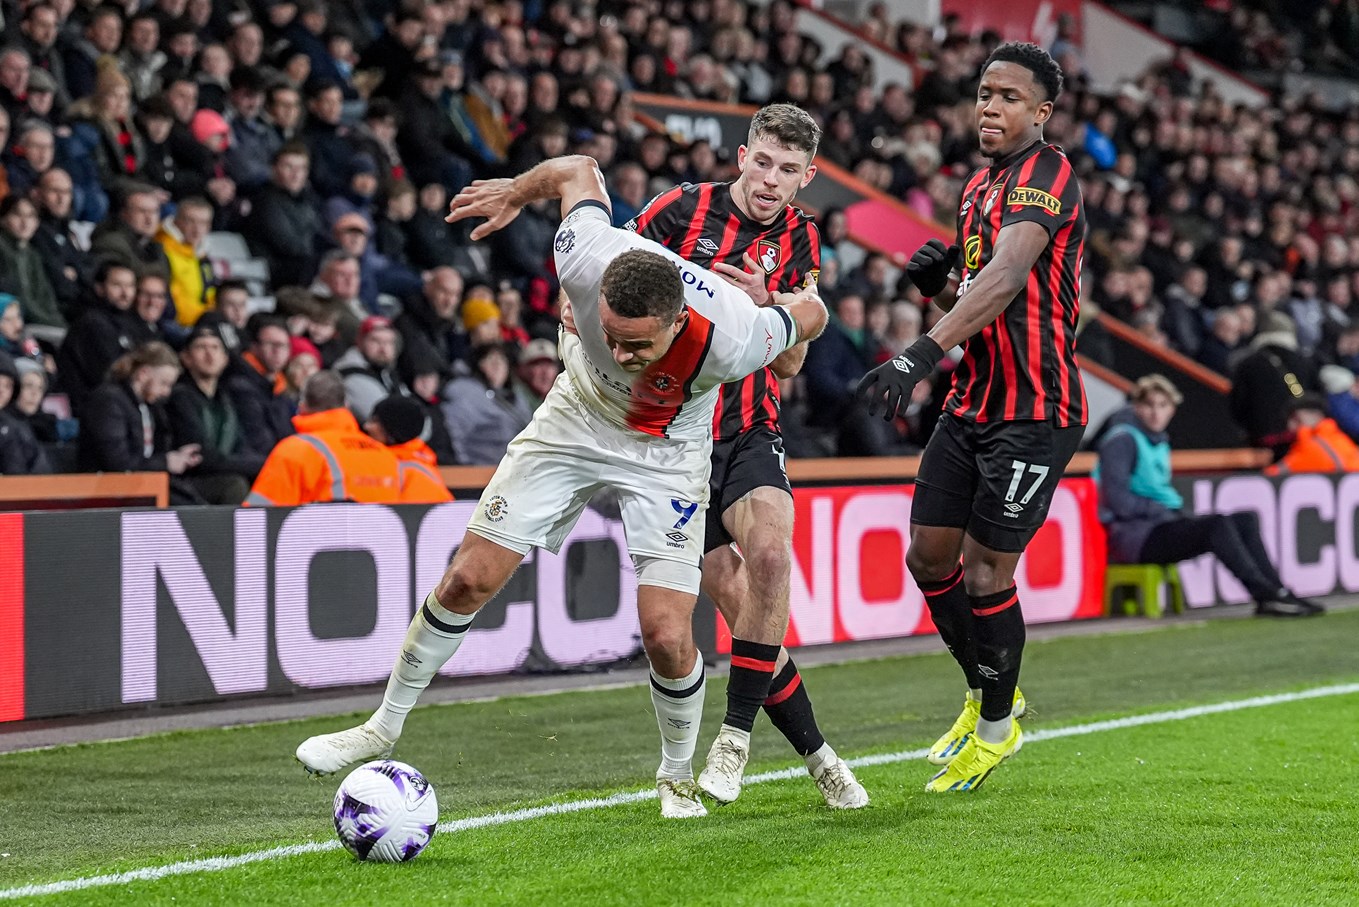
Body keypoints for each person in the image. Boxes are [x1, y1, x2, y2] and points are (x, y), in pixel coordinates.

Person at [295, 154, 826, 821]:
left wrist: (778, 299)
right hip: (572, 419)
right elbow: (578, 170)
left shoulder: (733, 332)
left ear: (674, 323)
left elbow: (810, 315)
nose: (624, 354)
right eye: (612, 335)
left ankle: (674, 775)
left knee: (665, 632)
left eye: (638, 346)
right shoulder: (584, 254)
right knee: (466, 577)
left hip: (664, 454)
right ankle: (381, 725)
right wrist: (516, 193)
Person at [856, 43, 1086, 793]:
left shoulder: (1047, 175)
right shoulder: (977, 186)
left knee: (988, 571)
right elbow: (981, 294)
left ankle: (995, 727)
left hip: (1035, 409)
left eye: (1009, 97)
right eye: (984, 93)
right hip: (976, 400)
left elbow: (1012, 275)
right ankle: (992, 691)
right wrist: (939, 288)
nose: (989, 106)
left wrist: (920, 350)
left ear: (1040, 112)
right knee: (927, 558)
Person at [621, 103, 865, 808]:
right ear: (740, 156)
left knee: (768, 560)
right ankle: (819, 756)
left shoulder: (798, 239)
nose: (770, 179)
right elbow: (615, 286)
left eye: (788, 169)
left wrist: (765, 309)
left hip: (751, 427)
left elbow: (789, 363)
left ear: (806, 176)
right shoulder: (677, 211)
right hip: (673, 442)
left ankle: (732, 740)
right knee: (723, 609)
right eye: (762, 161)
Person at [1098, 375, 1324, 618]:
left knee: (1245, 519)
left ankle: (1277, 591)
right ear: (1137, 407)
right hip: (1135, 536)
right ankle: (1264, 593)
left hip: (1157, 526)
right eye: (1150, 405)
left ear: (1172, 410)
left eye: (1162, 406)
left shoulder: (1156, 441)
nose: (1156, 413)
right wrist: (1163, 511)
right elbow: (1118, 501)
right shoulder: (1122, 440)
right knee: (1216, 525)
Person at [244, 370, 403, 507]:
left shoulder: (295, 451)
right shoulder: (385, 454)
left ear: (302, 405)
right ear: (346, 405)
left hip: (317, 541)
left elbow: (258, 516)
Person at [166, 323, 264, 505]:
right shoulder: (180, 397)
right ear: (186, 358)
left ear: (225, 359)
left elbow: (240, 444)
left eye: (215, 348)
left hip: (220, 471)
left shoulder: (226, 398)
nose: (209, 355)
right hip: (186, 482)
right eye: (201, 348)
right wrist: (261, 465)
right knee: (235, 485)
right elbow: (202, 457)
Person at [78, 341, 203, 477]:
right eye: (164, 383)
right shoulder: (108, 400)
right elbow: (117, 464)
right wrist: (165, 462)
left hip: (143, 486)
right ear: (143, 373)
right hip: (106, 490)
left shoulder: (148, 405)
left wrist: (177, 457)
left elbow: (147, 456)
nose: (166, 392)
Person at [440, 342, 532, 465]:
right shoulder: (466, 392)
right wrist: (464, 467)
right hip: (477, 472)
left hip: (513, 469)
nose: (497, 365)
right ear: (478, 365)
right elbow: (455, 434)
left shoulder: (516, 396)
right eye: (490, 360)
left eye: (501, 360)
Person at [364, 393, 453, 504]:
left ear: (392, 430)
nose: (367, 426)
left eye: (375, 421)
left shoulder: (412, 472)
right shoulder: (412, 463)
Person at [334, 315, 407, 422]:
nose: (383, 349)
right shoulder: (351, 374)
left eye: (389, 342)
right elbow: (388, 422)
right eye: (376, 341)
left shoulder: (385, 371)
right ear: (360, 341)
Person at [1267, 393, 1359, 475]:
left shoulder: (1315, 443)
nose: (1290, 426)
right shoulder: (1339, 437)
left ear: (1316, 416)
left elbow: (1272, 476)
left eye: (1296, 419)